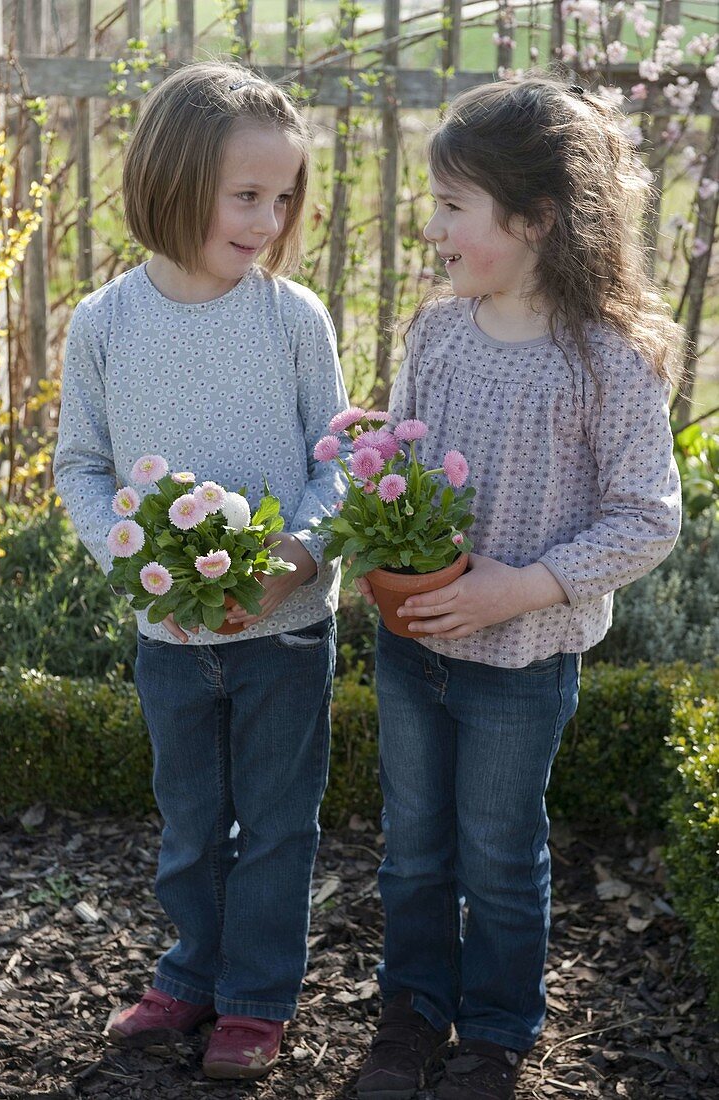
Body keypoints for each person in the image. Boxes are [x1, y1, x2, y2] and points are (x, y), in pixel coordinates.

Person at [354, 75, 681, 1100]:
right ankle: (411, 1010)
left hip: (520, 663)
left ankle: (495, 1030)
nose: (434, 225)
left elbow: (648, 516)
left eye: (454, 205)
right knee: (412, 850)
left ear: (535, 220)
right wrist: (371, 523)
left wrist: (527, 585)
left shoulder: (605, 363)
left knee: (497, 852)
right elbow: (397, 467)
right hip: (412, 648)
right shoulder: (437, 332)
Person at [54, 61, 348, 1082]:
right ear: (175, 180)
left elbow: (339, 460)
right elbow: (80, 466)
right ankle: (191, 969)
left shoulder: (292, 319)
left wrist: (299, 554)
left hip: (286, 630)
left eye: (283, 197)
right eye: (247, 195)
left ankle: (257, 995)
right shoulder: (105, 325)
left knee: (274, 822)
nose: (269, 219)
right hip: (171, 636)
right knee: (188, 817)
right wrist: (133, 562)